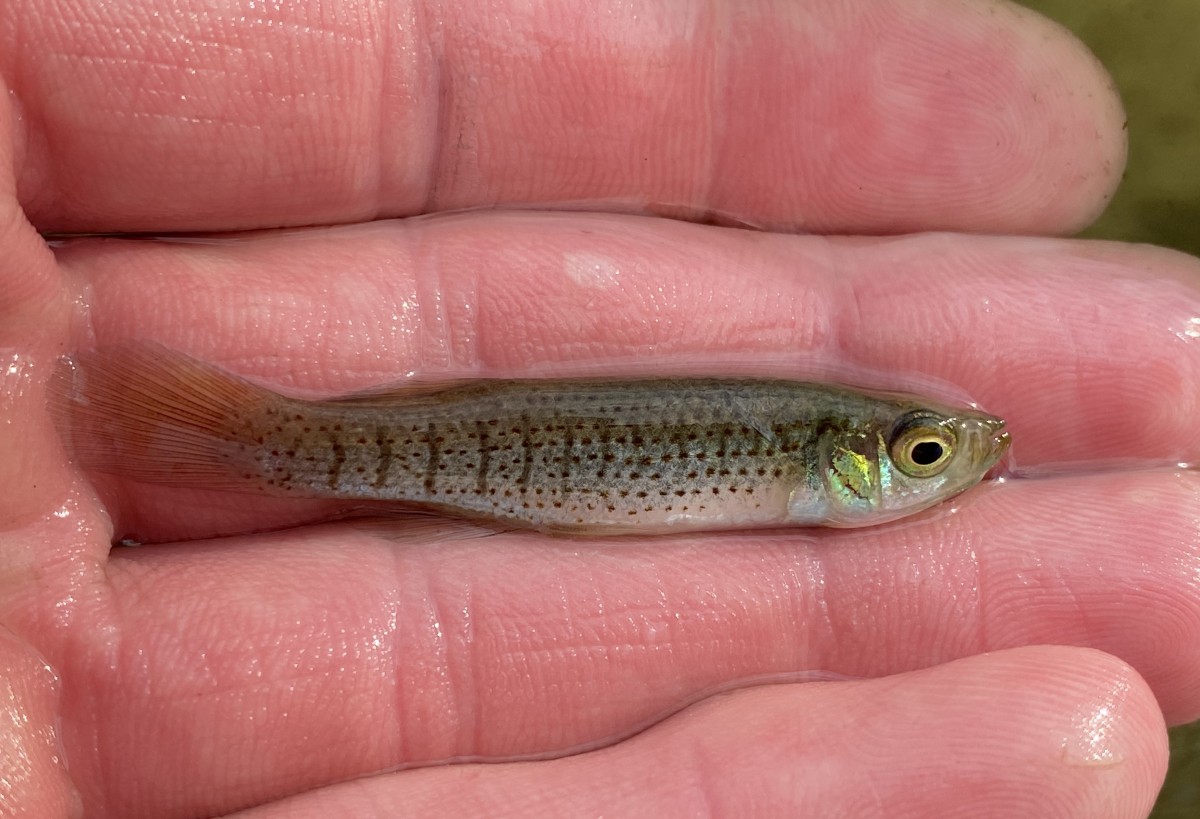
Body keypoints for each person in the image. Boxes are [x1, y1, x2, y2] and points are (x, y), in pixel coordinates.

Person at [0, 0, 1195, 816]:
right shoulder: (795, 449)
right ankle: (245, 439)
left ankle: (248, 439)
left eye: (928, 451)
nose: (948, 462)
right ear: (843, 460)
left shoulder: (804, 448)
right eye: (926, 453)